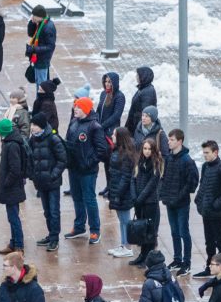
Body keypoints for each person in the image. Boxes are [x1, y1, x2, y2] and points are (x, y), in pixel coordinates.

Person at [64, 97, 110, 245]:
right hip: (73, 168)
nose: (75, 109)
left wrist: (89, 162)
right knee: (77, 197)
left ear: (85, 109)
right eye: (75, 107)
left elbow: (102, 150)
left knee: (89, 199)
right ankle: (79, 226)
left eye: (78, 107)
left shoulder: (95, 126)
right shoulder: (73, 122)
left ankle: (95, 230)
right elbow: (68, 143)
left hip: (87, 170)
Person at [159, 129, 199, 275]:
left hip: (181, 204)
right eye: (169, 139)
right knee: (174, 232)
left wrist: (179, 196)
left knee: (183, 232)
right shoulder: (169, 158)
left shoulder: (187, 161)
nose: (168, 142)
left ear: (180, 141)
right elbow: (165, 179)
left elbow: (192, 183)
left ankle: (186, 263)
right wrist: (163, 195)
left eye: (172, 140)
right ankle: (177, 258)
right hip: (170, 202)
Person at [194, 140, 221, 278]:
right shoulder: (205, 167)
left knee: (220, 242)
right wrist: (199, 201)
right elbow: (202, 186)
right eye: (203, 152)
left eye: (207, 153)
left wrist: (216, 204)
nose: (204, 155)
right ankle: (209, 266)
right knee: (209, 242)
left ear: (215, 152)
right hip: (206, 212)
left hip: (217, 214)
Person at [27, 112, 66, 252]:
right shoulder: (33, 139)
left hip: (52, 182)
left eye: (35, 125)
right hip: (40, 182)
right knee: (47, 211)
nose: (32, 127)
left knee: (54, 211)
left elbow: (62, 160)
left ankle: (54, 238)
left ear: (42, 126)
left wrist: (53, 175)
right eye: (32, 124)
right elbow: (30, 159)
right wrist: (33, 175)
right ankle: (51, 234)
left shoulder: (53, 139)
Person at [0, 117, 27, 256]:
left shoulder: (12, 145)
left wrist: (6, 183)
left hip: (12, 188)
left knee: (14, 218)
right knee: (12, 217)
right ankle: (14, 243)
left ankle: (18, 246)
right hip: (12, 188)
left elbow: (15, 169)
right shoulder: (9, 142)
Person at [130, 136, 162, 266]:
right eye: (145, 148)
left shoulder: (156, 164)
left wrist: (140, 198)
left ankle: (148, 257)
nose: (147, 151)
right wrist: (134, 197)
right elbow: (133, 179)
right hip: (139, 201)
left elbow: (152, 184)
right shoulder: (139, 161)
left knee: (150, 231)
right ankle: (142, 255)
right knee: (141, 230)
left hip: (150, 202)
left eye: (149, 149)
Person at [107, 127, 138, 259]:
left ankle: (127, 246)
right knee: (121, 219)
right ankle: (123, 244)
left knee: (125, 220)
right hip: (117, 190)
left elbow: (125, 177)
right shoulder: (118, 151)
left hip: (122, 193)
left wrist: (118, 194)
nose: (112, 136)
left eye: (114, 135)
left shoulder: (126, 155)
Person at [24, 5, 56, 85]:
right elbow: (31, 34)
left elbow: (50, 47)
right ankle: (41, 97)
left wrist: (34, 49)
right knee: (40, 82)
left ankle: (41, 97)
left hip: (42, 60)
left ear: (40, 16)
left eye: (34, 16)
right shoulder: (40, 23)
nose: (33, 17)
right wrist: (31, 23)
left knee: (41, 85)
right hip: (38, 58)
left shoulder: (48, 27)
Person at [123, 67, 157, 134]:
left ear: (143, 76)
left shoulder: (148, 91)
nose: (136, 77)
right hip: (134, 125)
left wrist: (138, 129)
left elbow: (146, 113)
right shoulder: (142, 88)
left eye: (138, 75)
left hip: (138, 127)